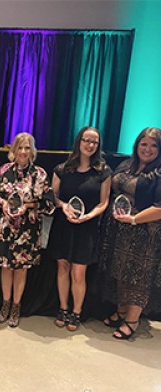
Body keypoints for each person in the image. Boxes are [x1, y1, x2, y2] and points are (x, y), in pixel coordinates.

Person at [0, 132, 55, 327]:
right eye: (20, 147)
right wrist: (2, 202)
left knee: (21, 270)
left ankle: (16, 306)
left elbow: (49, 204)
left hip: (27, 231)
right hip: (5, 228)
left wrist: (29, 206)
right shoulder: (4, 170)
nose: (23, 152)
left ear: (32, 151)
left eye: (27, 148)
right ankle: (5, 305)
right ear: (13, 150)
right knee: (5, 268)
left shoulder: (39, 174)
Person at [99, 127, 161, 340]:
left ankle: (132, 320)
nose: (148, 149)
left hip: (144, 233)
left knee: (137, 277)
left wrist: (134, 219)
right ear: (137, 145)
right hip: (118, 229)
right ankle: (122, 310)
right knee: (119, 272)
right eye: (144, 144)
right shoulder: (127, 164)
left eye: (154, 145)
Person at [48, 126, 111, 331]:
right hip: (63, 226)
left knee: (79, 272)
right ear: (79, 141)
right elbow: (53, 197)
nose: (90, 145)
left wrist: (88, 216)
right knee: (63, 267)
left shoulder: (103, 172)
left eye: (94, 142)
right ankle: (63, 309)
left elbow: (104, 203)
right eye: (86, 140)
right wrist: (64, 206)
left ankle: (76, 312)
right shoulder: (62, 169)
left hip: (87, 228)